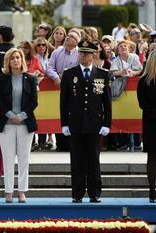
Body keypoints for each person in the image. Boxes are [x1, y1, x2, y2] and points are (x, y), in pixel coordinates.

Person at [60, 41, 112, 203]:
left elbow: (107, 101)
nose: (84, 56)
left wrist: (106, 124)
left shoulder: (102, 74)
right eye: (81, 53)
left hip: (95, 124)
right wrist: (64, 123)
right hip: (75, 123)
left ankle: (95, 193)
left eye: (87, 53)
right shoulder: (69, 74)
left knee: (93, 159)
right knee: (76, 160)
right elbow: (64, 101)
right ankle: (77, 193)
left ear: (93, 55)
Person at [0, 48, 38, 203]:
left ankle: (21, 192)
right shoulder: (2, 79)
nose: (15, 60)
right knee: (7, 159)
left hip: (25, 124)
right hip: (7, 124)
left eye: (18, 57)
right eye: (12, 58)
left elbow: (34, 101)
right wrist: (11, 115)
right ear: (8, 61)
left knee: (23, 159)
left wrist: (21, 115)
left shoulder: (31, 79)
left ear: (22, 60)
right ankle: (8, 192)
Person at [137, 50, 156, 203]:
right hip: (151, 123)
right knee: (152, 157)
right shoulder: (143, 81)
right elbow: (142, 103)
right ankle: (152, 191)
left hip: (151, 120)